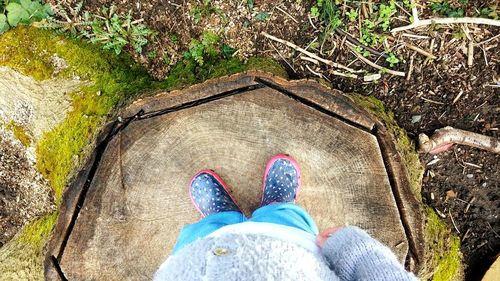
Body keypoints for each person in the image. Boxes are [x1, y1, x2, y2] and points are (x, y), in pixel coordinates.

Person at [154, 154, 418, 280]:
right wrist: (354, 251)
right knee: (286, 219)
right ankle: (277, 206)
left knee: (207, 230)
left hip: (193, 257)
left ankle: (221, 217)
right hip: (291, 251)